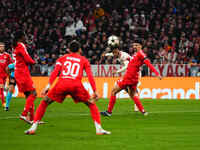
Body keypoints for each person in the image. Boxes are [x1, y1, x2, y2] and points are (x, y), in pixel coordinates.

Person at [25, 40, 111, 135]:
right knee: (91, 104)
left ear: (69, 50)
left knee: (45, 102)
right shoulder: (84, 60)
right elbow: (90, 76)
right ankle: (99, 129)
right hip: (76, 85)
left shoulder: (62, 58)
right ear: (79, 49)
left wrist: (48, 86)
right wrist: (95, 90)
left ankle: (33, 128)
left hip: (62, 84)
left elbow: (55, 72)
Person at [101, 39, 162, 117]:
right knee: (132, 95)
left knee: (113, 91)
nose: (134, 47)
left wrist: (157, 74)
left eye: (136, 45)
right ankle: (143, 112)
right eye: (133, 45)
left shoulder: (140, 54)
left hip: (129, 77)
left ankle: (109, 112)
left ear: (140, 46)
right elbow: (114, 54)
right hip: (134, 78)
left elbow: (148, 63)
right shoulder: (136, 54)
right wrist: (106, 55)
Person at [100, 35, 139, 112]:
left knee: (121, 90)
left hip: (134, 73)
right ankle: (137, 105)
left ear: (117, 51)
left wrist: (117, 72)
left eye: (114, 53)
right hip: (130, 73)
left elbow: (127, 66)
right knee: (130, 91)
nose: (113, 55)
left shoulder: (124, 56)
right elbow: (112, 54)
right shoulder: (117, 53)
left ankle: (109, 111)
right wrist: (106, 55)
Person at [13, 30, 36, 123]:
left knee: (28, 96)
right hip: (22, 72)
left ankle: (32, 119)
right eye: (24, 36)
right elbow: (26, 57)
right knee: (34, 93)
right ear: (21, 37)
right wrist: (34, 62)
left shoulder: (15, 46)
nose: (25, 37)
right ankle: (24, 114)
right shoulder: (21, 45)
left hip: (18, 72)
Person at [0, 42, 12, 108]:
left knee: (2, 88)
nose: (2, 48)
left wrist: (10, 72)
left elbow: (10, 64)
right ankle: (3, 102)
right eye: (1, 46)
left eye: (3, 46)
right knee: (1, 88)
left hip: (5, 74)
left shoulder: (7, 55)